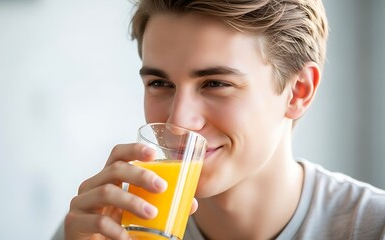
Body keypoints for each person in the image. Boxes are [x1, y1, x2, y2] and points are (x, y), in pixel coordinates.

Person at [54, 0, 385, 239]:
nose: (179, 120)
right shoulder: (105, 227)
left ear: (298, 91)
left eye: (215, 84)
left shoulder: (373, 227)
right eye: (159, 84)